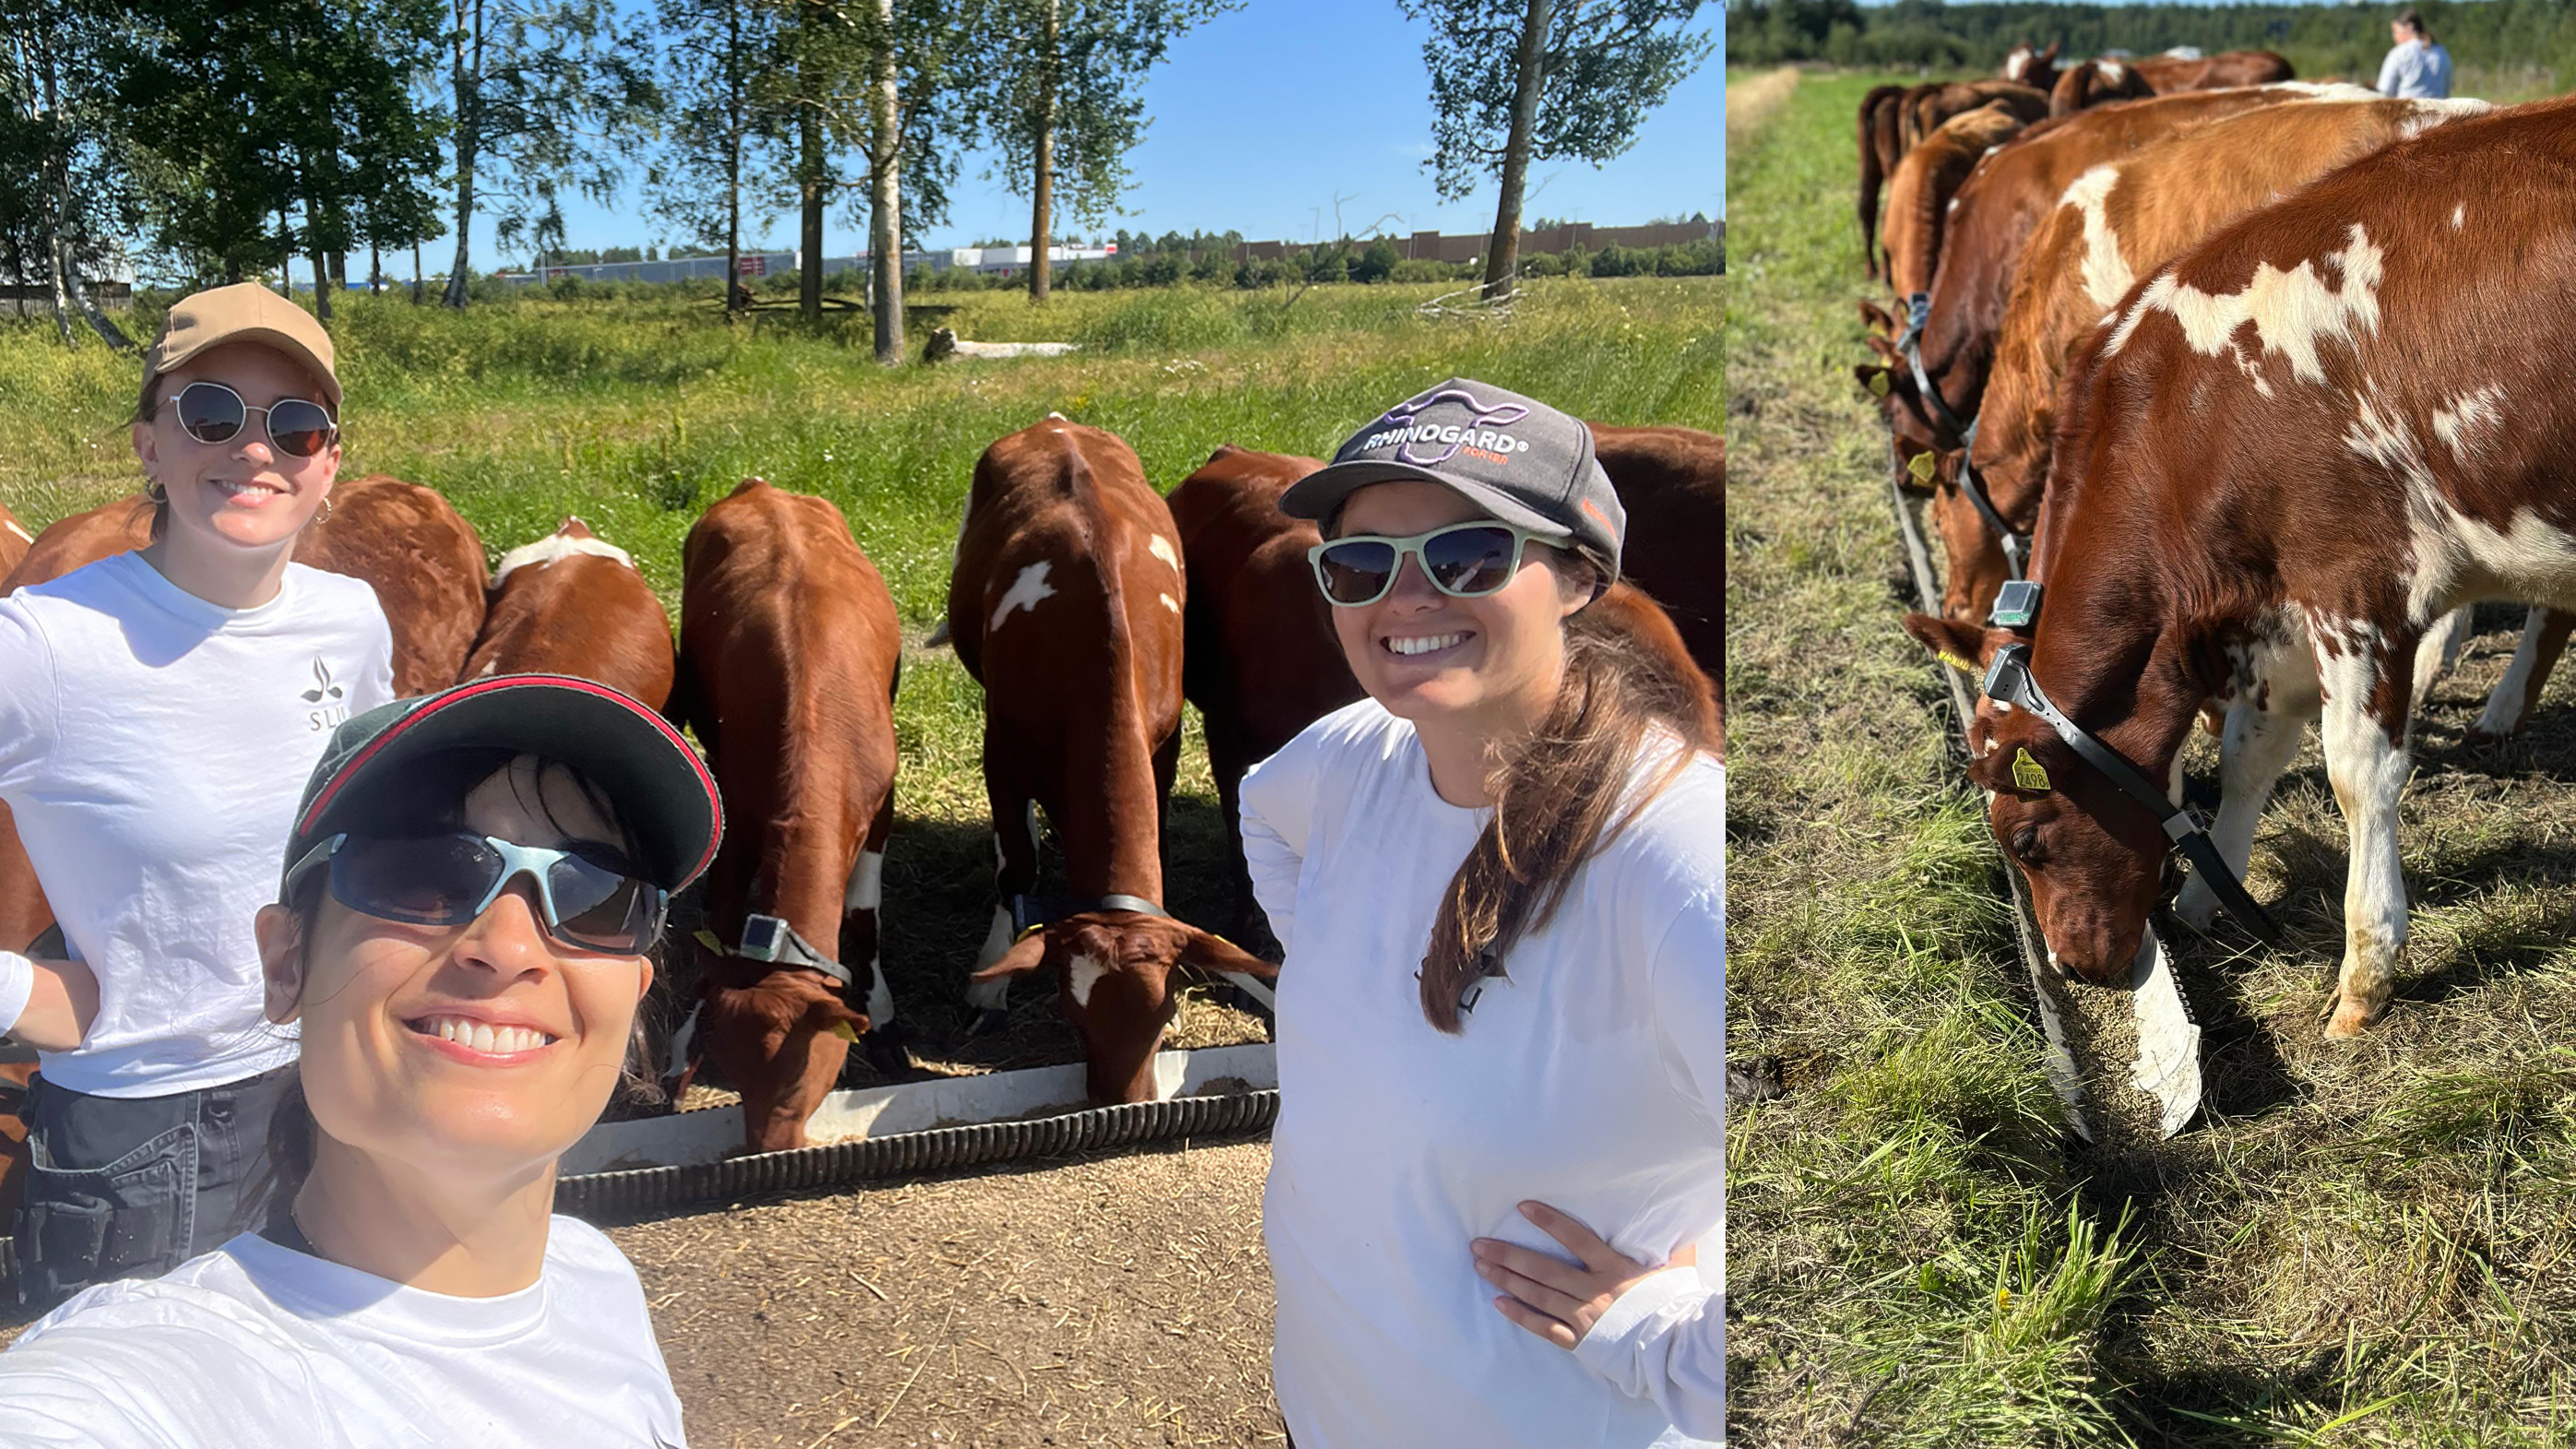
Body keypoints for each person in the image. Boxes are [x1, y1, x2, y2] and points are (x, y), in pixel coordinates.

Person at [0, 674, 722, 1447]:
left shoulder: (595, 1281)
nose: (509, 949)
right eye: (425, 873)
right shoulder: (149, 1388)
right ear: (285, 964)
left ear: (631, 994)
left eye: (596, 896)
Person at [1241, 380, 1724, 1446]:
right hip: (1327, 1412)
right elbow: (1260, 815)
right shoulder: (1349, 760)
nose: (1403, 599)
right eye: (1362, 565)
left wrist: (1660, 1334)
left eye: (1467, 555)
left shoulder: (1673, 857)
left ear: (1581, 575)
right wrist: (1335, 958)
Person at [0, 282, 396, 1302]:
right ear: (148, 442)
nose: (256, 448)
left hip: (327, 1099)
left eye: (296, 426)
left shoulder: (349, 620)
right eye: (212, 412)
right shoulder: (49, 643)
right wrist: (21, 995)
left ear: (329, 464)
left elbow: (371, 824)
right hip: (146, 1147)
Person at [2378, 6, 2452, 99]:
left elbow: (2384, 92)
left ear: (2409, 27)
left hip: (2408, 111)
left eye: (2395, 31)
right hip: (2439, 111)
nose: (2394, 36)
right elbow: (2446, 91)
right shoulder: (2442, 52)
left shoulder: (2398, 53)